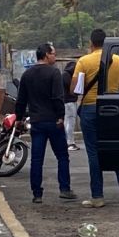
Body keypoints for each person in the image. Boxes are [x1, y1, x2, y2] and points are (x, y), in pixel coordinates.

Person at [70, 28, 119, 208]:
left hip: (90, 109)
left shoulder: (83, 61)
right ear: (106, 43)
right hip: (113, 110)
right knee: (117, 149)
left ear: (91, 43)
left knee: (93, 153)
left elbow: (75, 90)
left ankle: (97, 197)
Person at [15, 43, 77, 203]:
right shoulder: (54, 73)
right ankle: (64, 189)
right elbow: (58, 97)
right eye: (54, 54)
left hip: (37, 122)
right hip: (53, 121)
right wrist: (61, 116)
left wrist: (19, 119)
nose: (55, 57)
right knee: (62, 156)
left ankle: (37, 194)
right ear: (46, 55)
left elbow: (21, 100)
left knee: (37, 159)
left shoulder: (27, 74)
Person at [62, 57, 81, 151]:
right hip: (69, 101)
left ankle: (67, 141)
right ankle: (70, 142)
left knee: (67, 122)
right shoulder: (67, 76)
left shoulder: (64, 75)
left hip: (67, 102)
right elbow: (72, 88)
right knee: (70, 122)